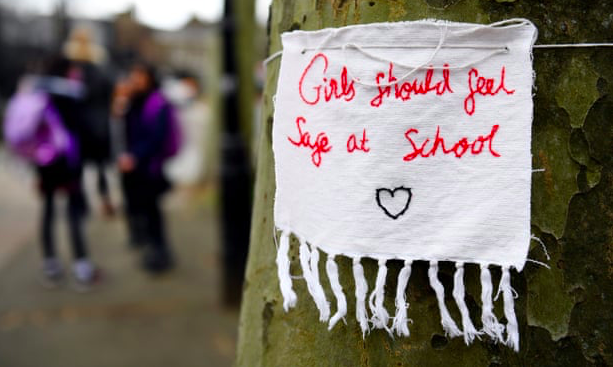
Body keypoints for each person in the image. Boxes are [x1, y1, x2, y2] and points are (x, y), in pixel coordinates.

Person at [3, 61, 100, 290]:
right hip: (68, 166)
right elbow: (85, 132)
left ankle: (50, 265)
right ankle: (81, 266)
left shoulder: (39, 97)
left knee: (47, 214)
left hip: (46, 167)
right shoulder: (71, 98)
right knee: (73, 215)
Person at [117, 63, 177, 274]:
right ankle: (152, 248)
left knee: (153, 212)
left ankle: (161, 253)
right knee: (143, 210)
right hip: (137, 167)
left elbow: (156, 137)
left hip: (150, 167)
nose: (135, 81)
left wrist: (135, 157)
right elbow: (125, 130)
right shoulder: (133, 101)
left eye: (139, 76)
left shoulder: (157, 103)